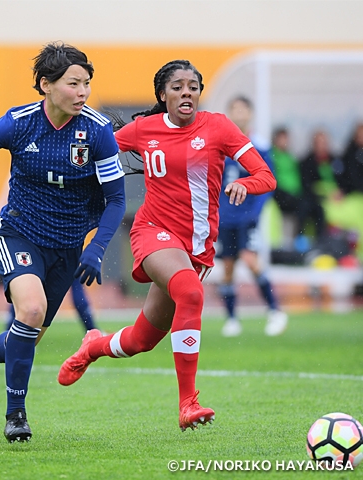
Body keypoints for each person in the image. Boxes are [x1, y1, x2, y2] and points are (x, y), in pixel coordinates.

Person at [0, 42, 126, 442]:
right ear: (45, 84)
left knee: (23, 341)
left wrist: (95, 248)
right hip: (18, 231)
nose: (82, 92)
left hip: (66, 246)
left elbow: (117, 199)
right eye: (73, 83)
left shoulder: (97, 131)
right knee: (30, 311)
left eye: (87, 84)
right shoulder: (18, 123)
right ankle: (16, 416)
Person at [57, 60, 276, 431]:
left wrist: (245, 185)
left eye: (192, 86)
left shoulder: (219, 127)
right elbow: (96, 147)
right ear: (163, 95)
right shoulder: (144, 129)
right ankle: (188, 403)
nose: (186, 92)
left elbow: (265, 176)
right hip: (153, 232)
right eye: (177, 86)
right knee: (190, 294)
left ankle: (92, 346)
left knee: (141, 341)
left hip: (196, 249)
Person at [217, 96, 288, 337]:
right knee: (227, 267)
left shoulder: (260, 145)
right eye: (234, 109)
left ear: (250, 114)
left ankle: (275, 311)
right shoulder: (220, 144)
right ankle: (231, 319)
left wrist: (255, 211)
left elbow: (268, 181)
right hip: (225, 217)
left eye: (242, 109)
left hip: (247, 216)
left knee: (249, 259)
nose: (238, 114)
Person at [0, 177, 100, 333]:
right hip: (43, 241)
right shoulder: (24, 174)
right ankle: (92, 331)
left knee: (26, 286)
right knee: (24, 286)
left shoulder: (38, 174)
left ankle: (10, 335)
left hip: (58, 241)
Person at [270, 127, 325, 249]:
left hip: (296, 194)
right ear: (276, 139)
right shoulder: (272, 156)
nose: (285, 142)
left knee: (317, 207)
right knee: (302, 206)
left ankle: (321, 241)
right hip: (281, 194)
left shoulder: (290, 157)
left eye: (286, 139)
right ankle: (299, 240)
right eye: (282, 139)